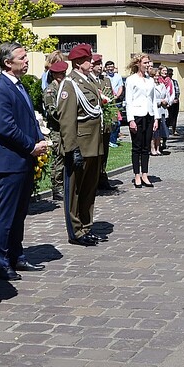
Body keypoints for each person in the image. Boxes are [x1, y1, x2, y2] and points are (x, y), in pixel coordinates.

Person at [0, 42, 50, 281]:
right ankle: (0, 264)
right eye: (21, 58)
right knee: (6, 215)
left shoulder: (19, 85)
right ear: (7, 62)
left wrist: (39, 137)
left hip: (24, 160)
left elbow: (28, 119)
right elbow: (5, 127)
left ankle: (16, 256)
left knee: (19, 213)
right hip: (10, 161)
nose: (26, 60)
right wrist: (30, 145)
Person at [56, 43, 106, 246]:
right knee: (75, 191)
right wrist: (72, 148)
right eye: (88, 59)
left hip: (93, 143)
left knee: (89, 189)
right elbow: (67, 120)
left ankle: (86, 226)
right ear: (78, 63)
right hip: (80, 145)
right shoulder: (70, 84)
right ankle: (75, 231)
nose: (92, 62)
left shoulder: (89, 81)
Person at [126, 54, 159, 187]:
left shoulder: (150, 80)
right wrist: (131, 120)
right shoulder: (131, 80)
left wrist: (156, 118)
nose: (147, 65)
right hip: (137, 115)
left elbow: (153, 100)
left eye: (148, 63)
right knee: (137, 147)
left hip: (149, 115)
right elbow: (128, 101)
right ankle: (137, 175)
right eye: (145, 63)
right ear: (138, 64)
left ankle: (145, 174)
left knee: (146, 147)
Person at [42, 59, 68, 201]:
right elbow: (53, 112)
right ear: (53, 74)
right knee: (59, 158)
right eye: (59, 73)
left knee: (66, 158)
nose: (62, 75)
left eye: (63, 73)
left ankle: (65, 185)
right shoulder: (50, 91)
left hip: (67, 128)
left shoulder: (65, 88)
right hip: (57, 129)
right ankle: (57, 188)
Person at [91, 54, 115, 191]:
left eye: (101, 63)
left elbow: (111, 99)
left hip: (105, 122)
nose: (100, 66)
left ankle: (102, 175)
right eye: (97, 64)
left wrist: (112, 119)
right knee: (95, 152)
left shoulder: (106, 80)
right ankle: (94, 179)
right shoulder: (88, 81)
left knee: (105, 151)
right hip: (94, 122)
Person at [105, 60, 125, 147]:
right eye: (108, 67)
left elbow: (121, 87)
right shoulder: (104, 77)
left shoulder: (118, 76)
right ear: (105, 68)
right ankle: (110, 140)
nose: (110, 69)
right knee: (110, 122)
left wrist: (117, 96)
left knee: (117, 122)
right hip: (106, 101)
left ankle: (113, 140)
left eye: (112, 67)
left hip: (116, 101)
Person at [152, 67, 171, 156]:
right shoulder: (151, 85)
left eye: (157, 75)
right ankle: (152, 148)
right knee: (154, 131)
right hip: (154, 110)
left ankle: (158, 148)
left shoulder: (162, 85)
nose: (156, 77)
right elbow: (150, 99)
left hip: (162, 110)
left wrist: (166, 100)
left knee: (160, 131)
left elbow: (167, 95)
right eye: (155, 76)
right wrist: (160, 101)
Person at [158, 66, 175, 150]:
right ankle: (158, 142)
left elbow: (172, 93)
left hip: (167, 105)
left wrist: (169, 102)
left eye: (166, 71)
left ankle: (164, 141)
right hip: (159, 106)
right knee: (159, 124)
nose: (165, 72)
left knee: (166, 124)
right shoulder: (158, 80)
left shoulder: (170, 81)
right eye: (163, 70)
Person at [166, 67, 181, 136]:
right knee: (168, 116)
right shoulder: (165, 82)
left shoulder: (174, 81)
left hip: (175, 102)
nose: (170, 75)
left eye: (171, 74)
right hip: (168, 102)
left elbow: (177, 91)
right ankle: (166, 130)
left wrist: (176, 98)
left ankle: (174, 130)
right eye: (169, 74)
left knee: (175, 116)